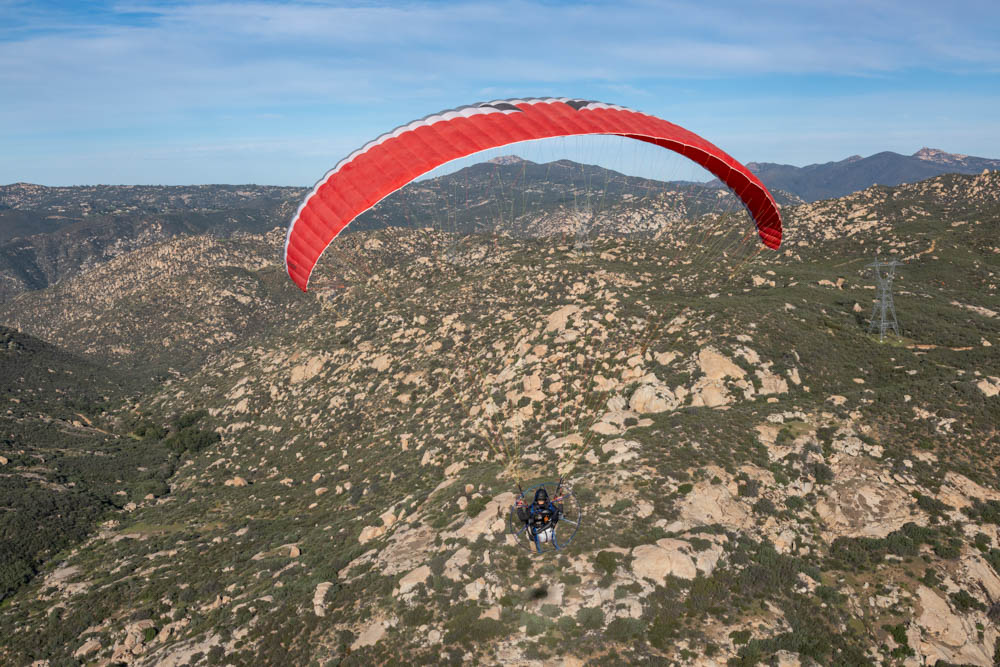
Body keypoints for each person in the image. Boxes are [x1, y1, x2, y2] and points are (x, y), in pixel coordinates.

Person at [516, 487, 562, 553]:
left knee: (528, 522)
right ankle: (550, 541)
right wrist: (560, 503)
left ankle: (534, 548)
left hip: (538, 536)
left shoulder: (532, 509)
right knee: (553, 517)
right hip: (550, 534)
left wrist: (519, 508)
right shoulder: (550, 506)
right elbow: (560, 513)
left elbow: (522, 518)